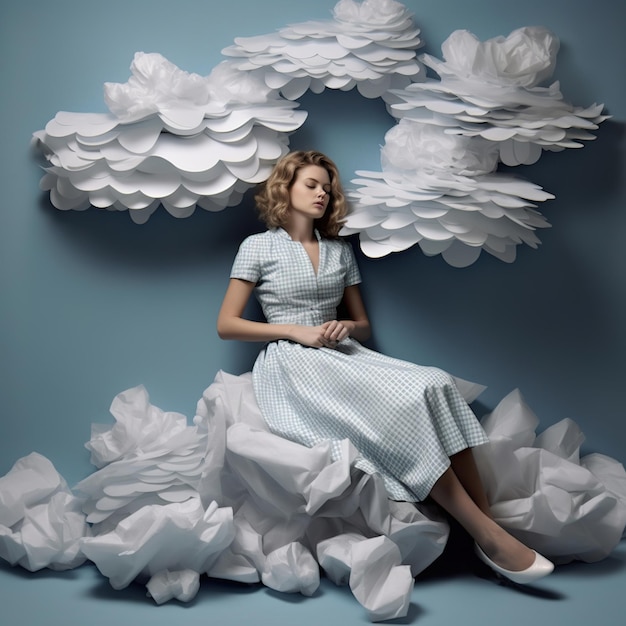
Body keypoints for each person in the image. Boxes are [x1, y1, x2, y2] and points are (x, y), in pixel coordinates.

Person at [217, 150, 553, 585]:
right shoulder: (258, 246)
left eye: (326, 187)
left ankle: (485, 526)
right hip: (293, 363)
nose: (322, 193)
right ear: (285, 189)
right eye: (311, 185)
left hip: (344, 353)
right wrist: (294, 332)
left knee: (433, 382)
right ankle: (486, 535)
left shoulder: (339, 250)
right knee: (400, 408)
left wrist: (344, 326)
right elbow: (227, 325)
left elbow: (363, 323)